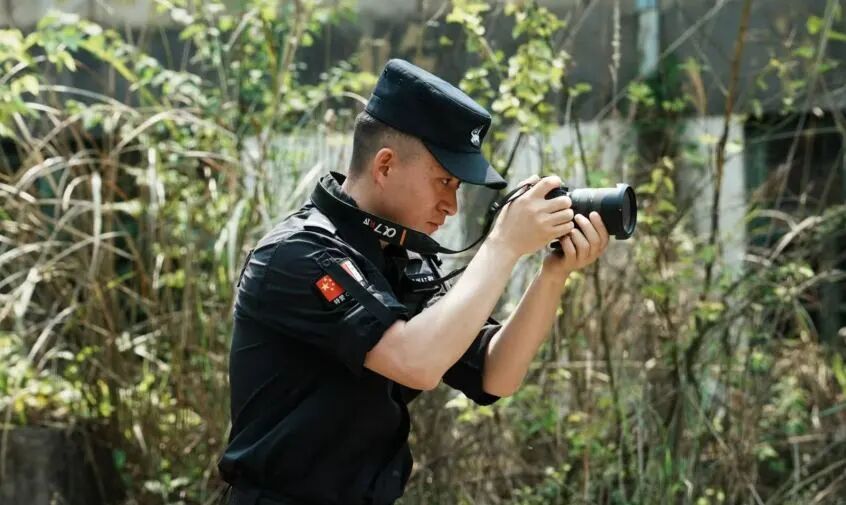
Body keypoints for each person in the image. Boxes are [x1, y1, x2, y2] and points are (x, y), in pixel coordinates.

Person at [218, 58, 610, 505]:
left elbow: (495, 373)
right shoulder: (298, 254)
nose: (452, 205)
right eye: (444, 181)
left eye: (457, 187)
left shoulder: (400, 257)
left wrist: (553, 273)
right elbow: (415, 362)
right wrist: (502, 244)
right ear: (385, 166)